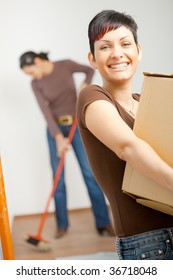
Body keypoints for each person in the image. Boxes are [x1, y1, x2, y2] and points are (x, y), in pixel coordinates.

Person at [76, 10, 173, 260]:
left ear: (138, 51)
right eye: (105, 46)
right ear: (92, 58)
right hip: (149, 244)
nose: (117, 53)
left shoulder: (146, 103)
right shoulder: (92, 97)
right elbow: (127, 147)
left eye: (125, 44)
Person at [19, 51, 114, 238]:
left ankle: (103, 223)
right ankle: (62, 225)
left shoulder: (65, 65)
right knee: (58, 178)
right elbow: (45, 111)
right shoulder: (36, 83)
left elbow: (89, 69)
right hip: (55, 130)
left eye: (31, 71)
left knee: (89, 173)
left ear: (37, 61)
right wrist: (58, 138)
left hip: (76, 126)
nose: (32, 76)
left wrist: (85, 83)